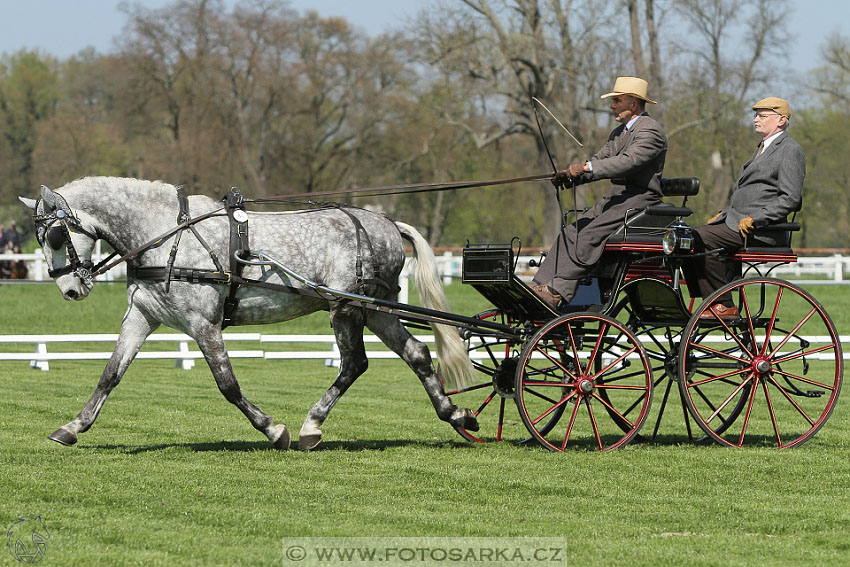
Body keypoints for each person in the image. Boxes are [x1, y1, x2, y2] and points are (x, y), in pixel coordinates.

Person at [531, 76, 667, 308]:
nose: (612, 105)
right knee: (572, 231)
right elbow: (599, 161)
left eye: (617, 100)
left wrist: (586, 168)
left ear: (633, 103)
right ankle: (540, 286)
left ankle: (555, 293)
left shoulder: (650, 131)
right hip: (619, 198)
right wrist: (570, 176)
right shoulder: (618, 133)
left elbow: (628, 162)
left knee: (589, 235)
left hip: (641, 200)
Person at [690, 97, 804, 320]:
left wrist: (756, 218)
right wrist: (725, 213)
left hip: (762, 232)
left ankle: (722, 304)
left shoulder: (790, 150)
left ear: (781, 120)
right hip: (738, 223)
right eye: (755, 115)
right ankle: (713, 301)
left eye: (762, 115)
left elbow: (790, 198)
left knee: (698, 237)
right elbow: (752, 194)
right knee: (686, 239)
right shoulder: (762, 148)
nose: (755, 120)